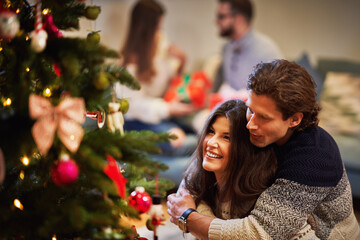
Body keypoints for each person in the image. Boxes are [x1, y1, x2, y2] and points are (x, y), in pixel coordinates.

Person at [167, 59, 360, 239]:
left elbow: (258, 233)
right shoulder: (259, 129)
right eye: (250, 109)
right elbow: (199, 171)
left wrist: (188, 217)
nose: (250, 124)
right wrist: (189, 202)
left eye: (264, 118)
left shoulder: (313, 157)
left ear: (295, 119)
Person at [114, 0, 196, 151]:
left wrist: (182, 63)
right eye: (158, 27)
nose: (161, 32)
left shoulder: (156, 58)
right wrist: (168, 109)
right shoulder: (130, 66)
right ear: (146, 30)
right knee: (185, 143)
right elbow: (134, 107)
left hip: (157, 118)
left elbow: (170, 83)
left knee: (199, 133)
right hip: (136, 122)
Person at [184, 99, 277, 222]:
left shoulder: (260, 199)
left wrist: (191, 215)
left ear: (245, 148)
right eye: (211, 132)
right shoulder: (199, 180)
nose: (211, 143)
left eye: (226, 137)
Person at [212, 0, 283, 95]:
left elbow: (279, 94)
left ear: (239, 19)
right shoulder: (226, 48)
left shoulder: (267, 51)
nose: (216, 21)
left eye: (221, 16)